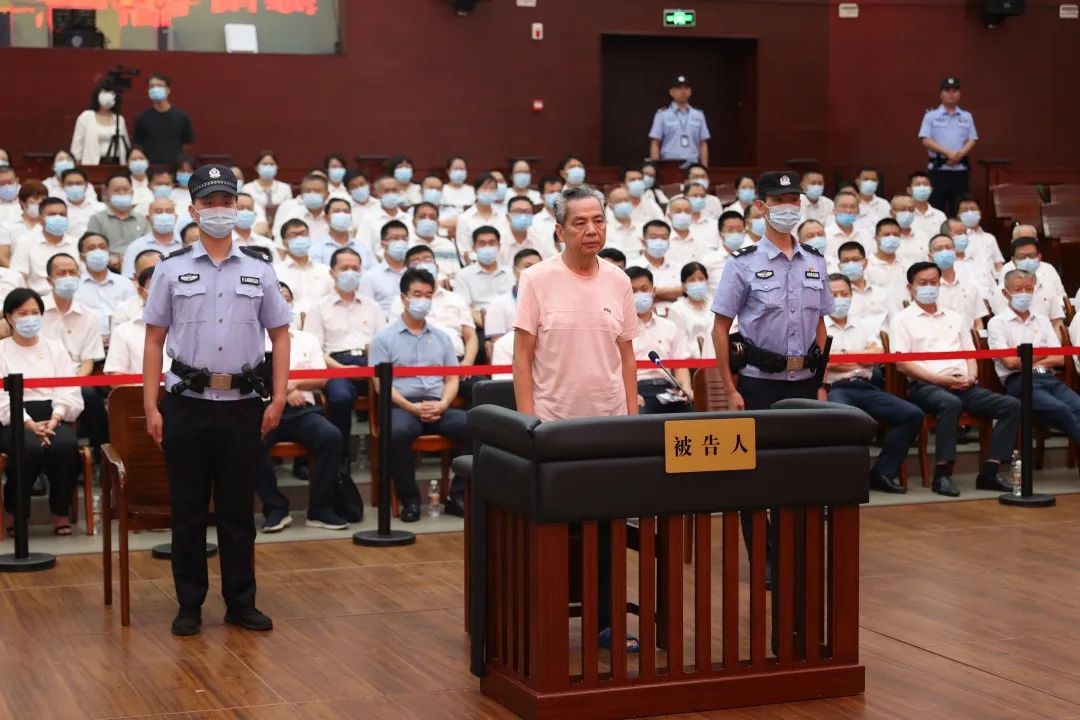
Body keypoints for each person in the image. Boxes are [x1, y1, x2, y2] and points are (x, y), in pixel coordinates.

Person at [142, 164, 292, 637]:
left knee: (236, 511)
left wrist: (279, 397)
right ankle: (189, 604)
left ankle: (240, 603)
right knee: (187, 510)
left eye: (227, 201)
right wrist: (151, 406)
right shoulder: (170, 269)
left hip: (242, 403)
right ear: (194, 210)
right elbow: (154, 340)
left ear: (238, 206)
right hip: (187, 402)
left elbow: (281, 335)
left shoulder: (260, 270)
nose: (220, 210)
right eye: (210, 203)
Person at [513, 185, 638, 651]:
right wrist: (528, 424)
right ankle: (544, 621)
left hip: (608, 426)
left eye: (598, 220)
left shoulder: (619, 280)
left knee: (607, 530)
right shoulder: (536, 279)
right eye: (580, 222)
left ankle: (606, 621)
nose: (591, 230)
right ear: (560, 230)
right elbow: (521, 358)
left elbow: (627, 356)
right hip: (554, 426)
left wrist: (631, 418)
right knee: (556, 531)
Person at [711, 171, 831, 598]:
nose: (788, 207)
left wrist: (820, 382)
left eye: (794, 199)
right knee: (756, 477)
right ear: (761, 206)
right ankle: (764, 556)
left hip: (804, 384)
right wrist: (731, 389)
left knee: (799, 475)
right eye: (780, 200)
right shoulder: (742, 263)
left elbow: (820, 324)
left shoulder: (815, 260)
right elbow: (720, 329)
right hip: (759, 383)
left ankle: (792, 553)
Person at [889, 261, 1017, 497]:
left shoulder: (955, 317)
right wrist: (941, 380)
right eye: (923, 283)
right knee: (950, 403)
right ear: (910, 287)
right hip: (926, 386)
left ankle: (991, 471)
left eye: (934, 282)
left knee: (1011, 405)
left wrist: (971, 376)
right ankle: (942, 474)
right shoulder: (902, 319)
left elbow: (970, 354)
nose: (929, 287)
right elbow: (902, 364)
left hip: (963, 383)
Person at [370, 268, 471, 522]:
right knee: (397, 433)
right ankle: (410, 501)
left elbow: (451, 378)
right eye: (417, 294)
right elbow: (381, 384)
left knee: (476, 428)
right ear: (403, 298)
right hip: (401, 406)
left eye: (428, 295)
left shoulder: (443, 337)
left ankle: (457, 496)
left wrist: (444, 403)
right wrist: (410, 407)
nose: (423, 300)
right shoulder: (383, 339)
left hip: (438, 405)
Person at [256, 281, 350, 533]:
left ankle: (321, 510)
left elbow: (322, 379)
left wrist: (293, 385)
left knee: (331, 436)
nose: (282, 302)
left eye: (286, 298)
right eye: (276, 298)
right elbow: (250, 378)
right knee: (249, 441)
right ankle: (275, 508)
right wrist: (284, 392)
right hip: (264, 409)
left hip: (302, 411)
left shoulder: (307, 339)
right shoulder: (251, 339)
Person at [824, 273, 922, 494]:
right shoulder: (817, 326)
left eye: (844, 294)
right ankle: (845, 480)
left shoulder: (864, 324)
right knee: (843, 418)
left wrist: (842, 356)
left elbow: (876, 356)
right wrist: (858, 358)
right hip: (836, 388)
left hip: (865, 386)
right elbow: (826, 362)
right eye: (833, 294)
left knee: (911, 414)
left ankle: (882, 473)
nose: (840, 299)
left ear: (852, 295)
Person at [0, 288, 84, 537]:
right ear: (9, 317)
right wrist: (29, 424)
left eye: (35, 312)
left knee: (65, 447)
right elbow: (2, 399)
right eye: (22, 313)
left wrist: (55, 419)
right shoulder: (1, 351)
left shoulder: (55, 349)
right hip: (13, 419)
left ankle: (60, 512)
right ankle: (16, 512)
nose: (30, 318)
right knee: (29, 449)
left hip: (52, 414)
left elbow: (68, 389)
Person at [304, 247, 385, 465]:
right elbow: (314, 350)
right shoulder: (318, 308)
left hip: (370, 363)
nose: (350, 272)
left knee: (390, 392)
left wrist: (372, 367)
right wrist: (342, 369)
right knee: (340, 397)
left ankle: (387, 458)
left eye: (355, 268)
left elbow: (383, 345)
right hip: (335, 364)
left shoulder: (373, 306)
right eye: (344, 268)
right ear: (332, 272)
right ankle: (340, 461)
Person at [988, 269, 1080, 446]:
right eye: (1018, 289)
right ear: (1005, 293)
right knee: (1061, 410)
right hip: (1020, 382)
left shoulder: (1042, 320)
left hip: (1048, 378)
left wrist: (1028, 358)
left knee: (1077, 407)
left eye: (1029, 289)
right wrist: (1043, 352)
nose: (1024, 293)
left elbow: (1060, 358)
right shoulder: (997, 323)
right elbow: (1011, 363)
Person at [627, 266, 692, 413]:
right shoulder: (620, 329)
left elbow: (680, 364)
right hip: (636, 389)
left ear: (653, 291)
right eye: (633, 291)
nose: (639, 294)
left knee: (687, 412)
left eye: (644, 289)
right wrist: (629, 394)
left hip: (667, 388)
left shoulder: (670, 326)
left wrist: (685, 388)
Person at [918, 76, 978, 217]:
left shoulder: (966, 116)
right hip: (939, 170)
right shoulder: (931, 116)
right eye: (947, 90)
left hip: (960, 170)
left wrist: (960, 154)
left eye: (955, 91)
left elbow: (973, 139)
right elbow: (925, 139)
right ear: (941, 94)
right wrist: (948, 153)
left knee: (959, 209)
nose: (951, 94)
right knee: (935, 208)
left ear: (959, 94)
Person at [104, 266, 171, 375]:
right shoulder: (123, 332)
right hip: (138, 386)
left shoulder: (189, 330)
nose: (164, 294)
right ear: (141, 291)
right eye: (156, 288)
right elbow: (116, 374)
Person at [11, 197, 80, 295]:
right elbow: (19, 277)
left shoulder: (77, 243)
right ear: (40, 219)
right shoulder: (25, 242)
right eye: (52, 214)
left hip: (74, 297)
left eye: (62, 214)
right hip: (39, 298)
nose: (58, 218)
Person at [994, 235, 1066, 329]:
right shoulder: (1001, 292)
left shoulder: (1048, 287)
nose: (1027, 260)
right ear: (1013, 260)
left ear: (1039, 257)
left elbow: (1057, 323)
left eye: (1031, 256)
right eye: (1021, 257)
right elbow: (1002, 325)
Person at [74, 232, 134, 338]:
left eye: (102, 247)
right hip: (87, 340)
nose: (98, 251)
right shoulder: (75, 286)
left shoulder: (124, 283)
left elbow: (133, 312)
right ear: (82, 257)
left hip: (122, 339)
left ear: (108, 252)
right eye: (91, 248)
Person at [454, 226, 514, 329]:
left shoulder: (511, 273)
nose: (487, 247)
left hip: (511, 325)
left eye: (492, 243)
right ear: (474, 247)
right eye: (482, 243)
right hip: (480, 326)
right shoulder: (463, 275)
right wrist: (490, 328)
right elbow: (465, 307)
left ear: (499, 245)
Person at [132, 73, 195, 165]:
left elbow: (187, 145)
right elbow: (138, 145)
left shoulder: (181, 117)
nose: (155, 89)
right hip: (151, 167)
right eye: (152, 86)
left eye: (159, 86)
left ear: (168, 90)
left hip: (175, 167)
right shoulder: (142, 118)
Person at [648, 75, 710, 167]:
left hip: (693, 164)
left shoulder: (698, 115)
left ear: (690, 91)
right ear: (671, 92)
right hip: (669, 164)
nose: (683, 91)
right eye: (679, 88)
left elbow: (703, 144)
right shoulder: (662, 115)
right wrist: (655, 167)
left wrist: (704, 168)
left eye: (686, 88)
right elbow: (655, 143)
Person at [273, 219, 332, 315]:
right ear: (284, 242)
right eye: (293, 235)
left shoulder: (326, 271)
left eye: (303, 234)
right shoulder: (275, 272)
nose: (300, 238)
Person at [484, 248, 540, 348]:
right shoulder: (498, 304)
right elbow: (497, 344)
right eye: (528, 266)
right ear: (514, 270)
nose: (534, 271)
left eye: (538, 267)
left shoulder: (553, 301)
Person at [928, 233, 985, 331]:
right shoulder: (927, 289)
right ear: (930, 256)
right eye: (938, 249)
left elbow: (978, 321)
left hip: (969, 339)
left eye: (948, 247)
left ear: (955, 252)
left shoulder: (970, 284)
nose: (944, 252)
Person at [86, 173, 150, 257]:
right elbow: (92, 246)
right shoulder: (97, 219)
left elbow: (148, 246)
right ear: (107, 192)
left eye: (125, 189)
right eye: (116, 190)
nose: (121, 193)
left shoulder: (142, 219)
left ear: (132, 192)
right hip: (108, 261)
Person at [628, 219, 683, 314]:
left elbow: (683, 292)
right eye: (653, 237)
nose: (659, 242)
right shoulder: (630, 266)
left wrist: (651, 293)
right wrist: (671, 294)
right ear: (643, 241)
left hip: (675, 317)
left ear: (669, 241)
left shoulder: (679, 268)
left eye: (664, 238)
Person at [358, 220, 411, 315]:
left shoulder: (415, 273)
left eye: (404, 239)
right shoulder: (369, 277)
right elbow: (366, 311)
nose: (400, 242)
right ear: (383, 244)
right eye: (395, 238)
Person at [71, 81, 130, 165]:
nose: (108, 96)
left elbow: (125, 143)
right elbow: (77, 144)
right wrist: (77, 162)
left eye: (111, 93)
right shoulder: (86, 116)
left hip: (116, 163)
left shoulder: (119, 119)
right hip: (92, 163)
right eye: (104, 92)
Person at [122, 197, 181, 278]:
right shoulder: (136, 247)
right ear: (148, 218)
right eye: (158, 211)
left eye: (169, 211)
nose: (164, 215)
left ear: (176, 217)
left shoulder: (186, 243)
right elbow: (129, 279)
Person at [836, 241, 893, 324]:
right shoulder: (838, 299)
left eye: (855, 259)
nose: (851, 264)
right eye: (845, 261)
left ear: (866, 263)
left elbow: (894, 320)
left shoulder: (882, 293)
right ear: (839, 266)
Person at [311, 197, 376, 269]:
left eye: (346, 212)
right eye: (336, 211)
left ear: (350, 217)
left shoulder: (362, 247)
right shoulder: (317, 248)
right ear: (326, 217)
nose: (342, 214)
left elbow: (374, 271)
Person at [455, 174, 511, 257]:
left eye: (492, 188)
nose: (488, 191)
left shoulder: (503, 218)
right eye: (484, 188)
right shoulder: (464, 218)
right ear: (476, 191)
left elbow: (505, 246)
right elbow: (464, 250)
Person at [666, 261, 713, 358]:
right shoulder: (677, 309)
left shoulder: (715, 304)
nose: (697, 283)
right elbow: (679, 344)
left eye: (701, 279)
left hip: (717, 357)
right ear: (684, 285)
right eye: (692, 280)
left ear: (707, 281)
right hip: (691, 360)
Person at [0, 179, 48, 267]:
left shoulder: (50, 224)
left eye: (43, 198)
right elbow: (2, 257)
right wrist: (18, 272)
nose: (40, 202)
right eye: (35, 198)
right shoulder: (8, 226)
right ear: (22, 202)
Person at [271, 173, 330, 243]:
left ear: (327, 194)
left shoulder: (333, 215)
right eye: (307, 191)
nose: (312, 194)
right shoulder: (288, 208)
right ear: (302, 194)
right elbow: (279, 241)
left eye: (317, 191)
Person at [701, 212, 750, 294]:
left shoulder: (752, 258)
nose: (735, 233)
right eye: (730, 230)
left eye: (739, 230)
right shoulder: (708, 260)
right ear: (720, 233)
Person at [501, 195, 555, 264]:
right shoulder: (500, 240)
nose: (523, 216)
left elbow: (550, 262)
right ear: (508, 216)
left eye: (527, 211)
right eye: (518, 211)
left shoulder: (541, 238)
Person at [241, 152, 293, 222]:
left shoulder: (285, 188)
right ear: (257, 167)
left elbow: (289, 211)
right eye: (264, 164)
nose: (268, 167)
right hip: (256, 224)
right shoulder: (247, 188)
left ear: (277, 167)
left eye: (271, 164)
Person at [60, 168, 105, 239]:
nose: (74, 187)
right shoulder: (59, 210)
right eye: (70, 184)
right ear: (62, 185)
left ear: (86, 185)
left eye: (79, 183)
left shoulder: (101, 208)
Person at [605, 186, 644, 260]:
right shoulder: (604, 230)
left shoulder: (643, 227)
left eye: (626, 200)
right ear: (610, 206)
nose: (623, 203)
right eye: (618, 201)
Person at [908, 171, 947, 240]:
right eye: (918, 184)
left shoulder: (940, 215)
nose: (922, 187)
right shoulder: (904, 215)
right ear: (909, 190)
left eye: (925, 184)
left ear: (931, 189)